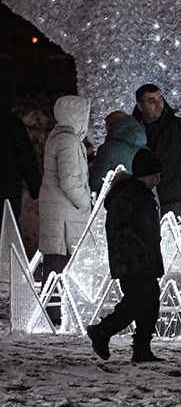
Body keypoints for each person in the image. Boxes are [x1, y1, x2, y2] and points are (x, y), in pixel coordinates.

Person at [86, 148, 165, 363]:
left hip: (142, 259)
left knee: (147, 301)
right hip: (133, 261)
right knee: (138, 302)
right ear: (144, 174)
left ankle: (141, 348)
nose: (158, 180)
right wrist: (140, 253)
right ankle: (103, 332)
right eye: (155, 175)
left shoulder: (140, 193)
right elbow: (121, 230)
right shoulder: (128, 195)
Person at [39, 94, 92, 327]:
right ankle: (55, 312)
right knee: (60, 262)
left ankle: (53, 310)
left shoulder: (59, 137)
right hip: (66, 213)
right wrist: (85, 203)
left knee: (55, 261)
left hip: (60, 210)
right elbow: (70, 180)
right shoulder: (68, 141)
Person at [131, 84, 181, 222]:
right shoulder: (133, 130)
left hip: (175, 200)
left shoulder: (179, 128)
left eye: (160, 98)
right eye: (152, 101)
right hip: (142, 201)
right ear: (140, 106)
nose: (159, 104)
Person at [0, 81, 42, 225]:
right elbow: (26, 157)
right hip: (8, 189)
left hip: (8, 188)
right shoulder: (12, 124)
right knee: (7, 229)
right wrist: (35, 188)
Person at [89, 110, 147, 195]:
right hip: (148, 201)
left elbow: (94, 183)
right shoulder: (147, 150)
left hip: (122, 201)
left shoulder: (109, 149)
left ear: (111, 127)